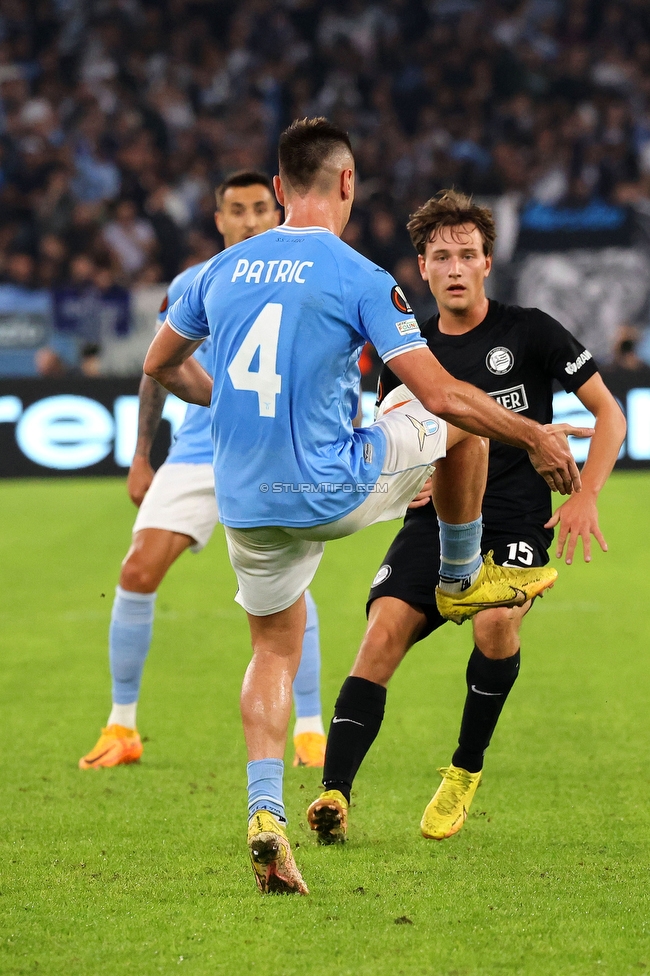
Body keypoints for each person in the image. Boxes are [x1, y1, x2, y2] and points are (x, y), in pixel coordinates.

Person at [143, 118, 591, 896]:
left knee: (274, 649)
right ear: (347, 184)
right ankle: (459, 577)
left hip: (245, 500)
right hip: (330, 486)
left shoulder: (214, 273)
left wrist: (226, 409)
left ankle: (265, 814)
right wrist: (539, 438)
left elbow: (162, 366)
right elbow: (443, 394)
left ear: (278, 190)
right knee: (460, 424)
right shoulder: (358, 276)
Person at [307, 189, 626, 846]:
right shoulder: (409, 345)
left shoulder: (530, 330)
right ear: (421, 267)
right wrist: (410, 480)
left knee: (497, 623)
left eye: (467, 255)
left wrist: (586, 494)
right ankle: (333, 793)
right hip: (435, 521)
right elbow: (389, 431)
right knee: (380, 636)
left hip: (514, 524)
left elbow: (610, 414)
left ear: (487, 264)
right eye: (440, 256)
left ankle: (464, 768)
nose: (454, 267)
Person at [80, 171, 328, 773]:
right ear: (218, 220)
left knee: (288, 587)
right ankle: (122, 725)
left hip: (273, 449)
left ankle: (310, 729)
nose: (248, 220)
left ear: (277, 213)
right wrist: (143, 454)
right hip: (199, 450)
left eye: (258, 209)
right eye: (236, 211)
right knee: (137, 570)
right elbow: (155, 369)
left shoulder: (311, 278)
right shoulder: (195, 282)